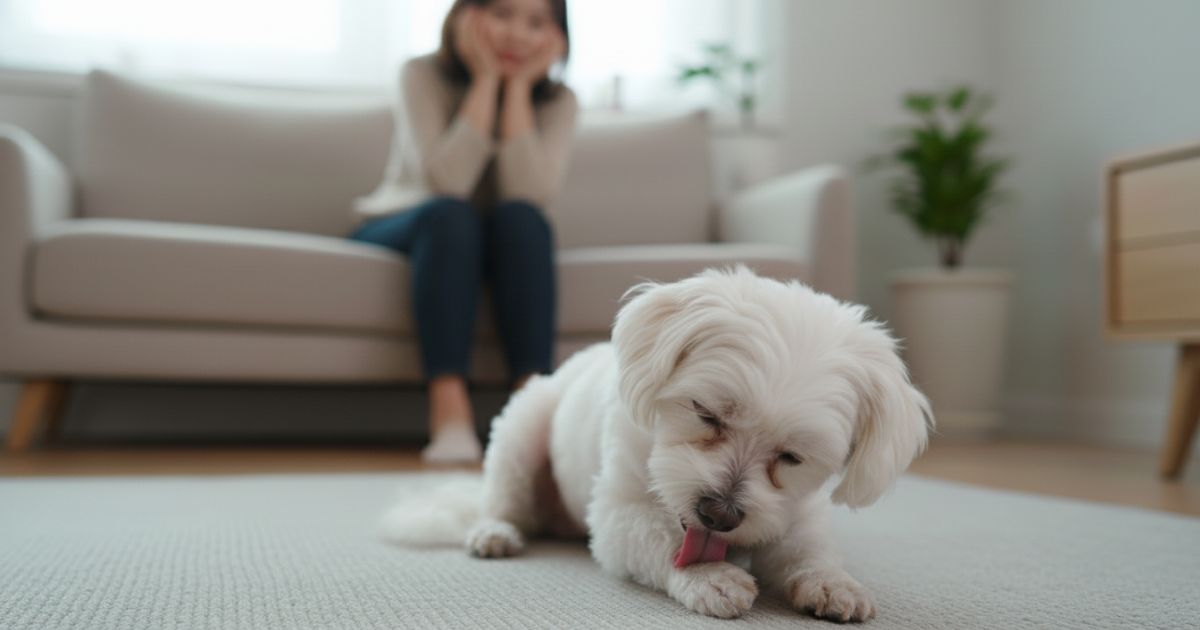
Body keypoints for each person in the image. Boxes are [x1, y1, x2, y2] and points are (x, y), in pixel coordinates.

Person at [350, 0, 577, 464]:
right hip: (407, 226)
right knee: (452, 215)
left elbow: (529, 193)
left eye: (536, 22)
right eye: (502, 14)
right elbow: (447, 183)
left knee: (524, 220)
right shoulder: (420, 75)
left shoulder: (559, 102)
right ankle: (449, 414)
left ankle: (534, 417)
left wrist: (515, 90)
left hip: (494, 238)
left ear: (557, 37)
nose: (517, 34)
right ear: (464, 16)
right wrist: (487, 80)